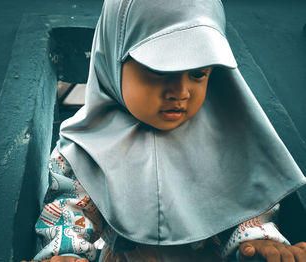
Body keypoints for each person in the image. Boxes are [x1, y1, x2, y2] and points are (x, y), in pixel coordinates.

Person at [22, 0, 306, 261]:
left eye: (197, 74)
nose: (181, 92)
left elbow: (246, 207)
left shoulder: (229, 137)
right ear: (113, 60)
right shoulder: (82, 148)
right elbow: (70, 212)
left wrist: (259, 244)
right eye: (160, 70)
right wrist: (69, 255)